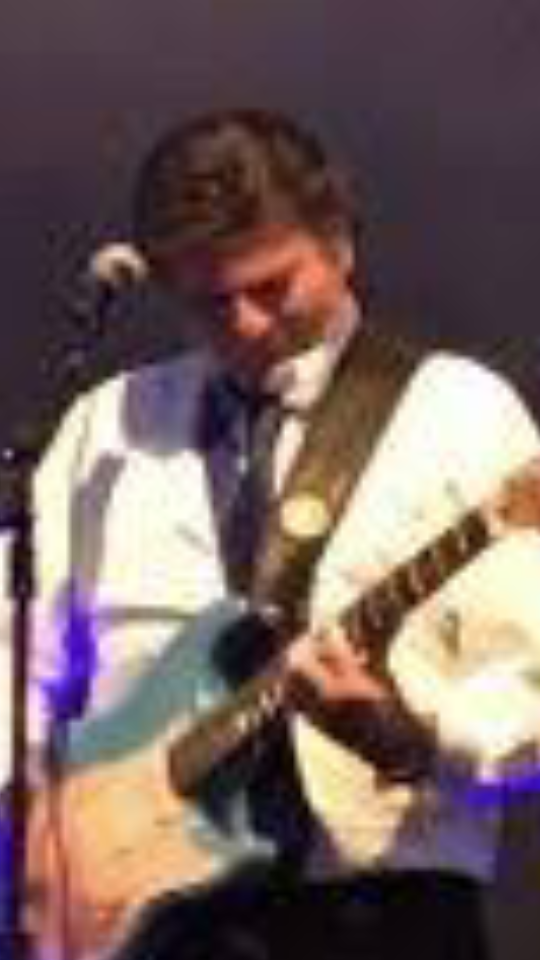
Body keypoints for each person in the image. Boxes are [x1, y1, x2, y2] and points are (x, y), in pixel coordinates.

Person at [2, 107, 540, 960]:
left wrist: (412, 736)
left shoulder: (459, 412)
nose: (247, 324)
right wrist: (34, 823)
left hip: (374, 911)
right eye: (211, 301)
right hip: (137, 932)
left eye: (274, 286)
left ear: (340, 244)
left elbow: (528, 681)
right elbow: (17, 657)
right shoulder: (106, 424)